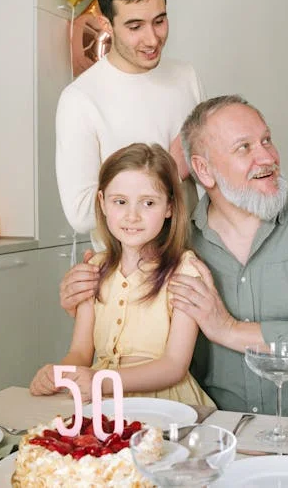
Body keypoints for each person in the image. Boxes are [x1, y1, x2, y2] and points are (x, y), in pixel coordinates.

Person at [161, 95, 288, 421]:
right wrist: (93, 287)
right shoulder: (177, 244)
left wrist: (229, 330)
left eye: (266, 140)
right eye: (244, 147)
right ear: (204, 169)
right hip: (217, 433)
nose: (268, 157)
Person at [31, 142, 213, 406]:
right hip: (103, 400)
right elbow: (80, 353)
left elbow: (174, 365)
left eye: (148, 203)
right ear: (103, 203)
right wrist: (57, 375)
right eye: (120, 202)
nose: (132, 216)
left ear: (169, 207)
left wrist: (101, 381)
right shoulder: (94, 268)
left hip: (166, 404)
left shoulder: (185, 270)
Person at [55, 0, 205, 247]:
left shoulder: (186, 76)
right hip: (129, 270)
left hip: (194, 258)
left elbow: (209, 177)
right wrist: (171, 169)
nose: (152, 40)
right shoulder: (80, 99)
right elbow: (81, 214)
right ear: (106, 24)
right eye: (135, 26)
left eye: (159, 21)